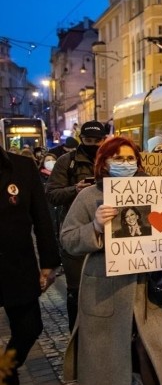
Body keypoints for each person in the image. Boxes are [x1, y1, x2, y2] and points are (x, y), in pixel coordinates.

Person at [60, 137, 162, 385]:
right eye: (118, 158)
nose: (125, 163)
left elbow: (158, 234)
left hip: (144, 289)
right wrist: (93, 226)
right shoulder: (90, 196)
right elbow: (67, 239)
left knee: (149, 350)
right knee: (108, 350)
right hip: (105, 288)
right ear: (104, 162)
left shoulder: (151, 193)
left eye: (131, 158)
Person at [0, 146, 61, 385]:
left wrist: (49, 262)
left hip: (18, 266)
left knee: (29, 327)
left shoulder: (22, 168)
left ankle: (6, 374)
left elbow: (42, 218)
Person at [45, 120, 106, 330]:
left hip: (108, 235)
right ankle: (77, 335)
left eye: (97, 140)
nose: (93, 144)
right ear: (82, 140)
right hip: (77, 235)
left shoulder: (111, 159)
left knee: (104, 290)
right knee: (78, 291)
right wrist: (75, 189)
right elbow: (52, 194)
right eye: (89, 140)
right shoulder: (67, 161)